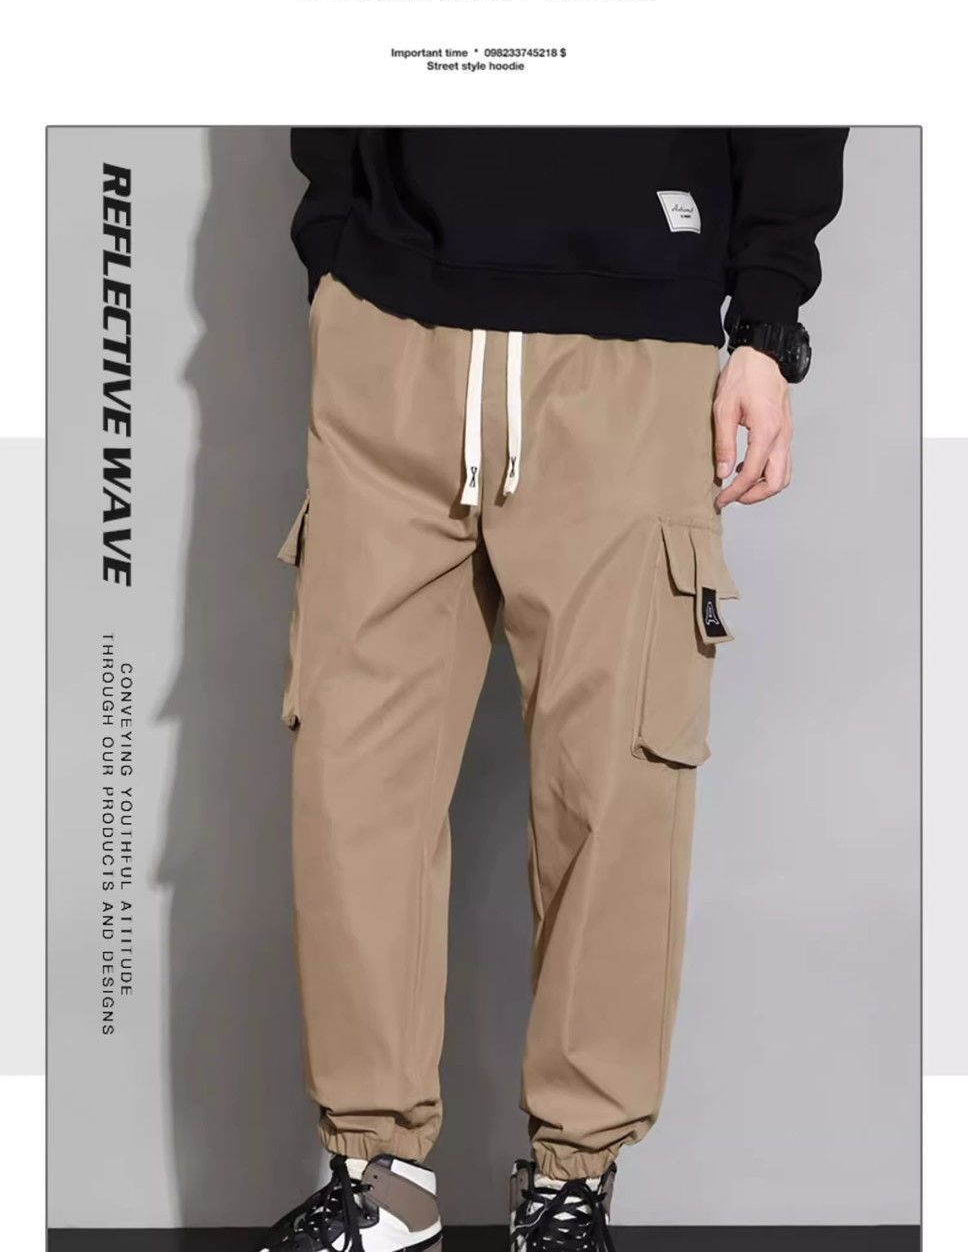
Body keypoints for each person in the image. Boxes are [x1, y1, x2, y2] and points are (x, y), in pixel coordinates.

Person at [261, 127, 848, 1252]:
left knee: (615, 786)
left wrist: (765, 324)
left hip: (634, 338)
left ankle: (570, 1185)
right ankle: (382, 1183)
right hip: (390, 326)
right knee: (352, 774)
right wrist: (334, 240)